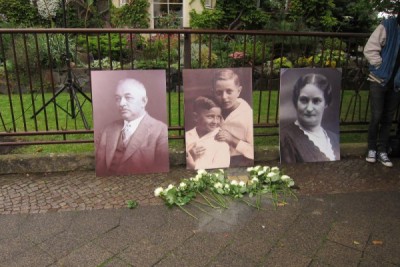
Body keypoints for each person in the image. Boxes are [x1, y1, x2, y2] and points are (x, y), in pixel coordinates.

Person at [95, 78, 169, 176]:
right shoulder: (107, 130)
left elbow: (160, 169)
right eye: (118, 99)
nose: (121, 104)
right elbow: (100, 166)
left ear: (144, 101)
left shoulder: (160, 130)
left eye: (128, 97)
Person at [363, 13, 400, 167]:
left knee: (388, 119)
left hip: (397, 83)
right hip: (379, 80)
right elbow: (370, 48)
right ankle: (371, 148)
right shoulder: (388, 25)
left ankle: (382, 150)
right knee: (377, 116)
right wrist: (379, 67)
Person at [280, 73, 340, 163]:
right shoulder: (285, 138)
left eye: (316, 101)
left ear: (326, 103)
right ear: (296, 102)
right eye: (304, 100)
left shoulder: (334, 138)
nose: (309, 108)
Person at [212, 69, 254, 167]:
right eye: (219, 93)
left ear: (238, 91)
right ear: (213, 92)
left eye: (229, 91)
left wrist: (232, 139)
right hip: (214, 159)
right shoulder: (212, 110)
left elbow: (252, 151)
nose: (224, 97)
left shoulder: (247, 114)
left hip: (239, 161)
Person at [185, 96, 230, 170]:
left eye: (218, 117)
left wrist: (192, 165)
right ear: (195, 117)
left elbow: (219, 171)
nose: (215, 122)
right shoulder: (187, 136)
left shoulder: (221, 142)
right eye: (210, 117)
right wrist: (190, 155)